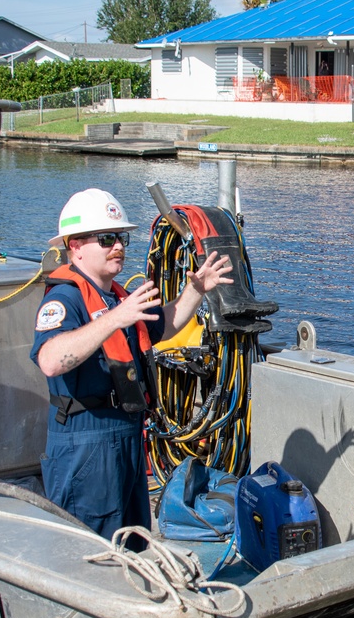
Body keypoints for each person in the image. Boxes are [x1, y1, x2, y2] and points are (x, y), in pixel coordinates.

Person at [30, 188, 232, 550]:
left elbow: (163, 325)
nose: (118, 246)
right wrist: (113, 319)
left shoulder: (118, 297)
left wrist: (197, 289)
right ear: (75, 247)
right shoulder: (65, 299)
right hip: (85, 442)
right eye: (106, 239)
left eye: (120, 238)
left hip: (125, 436)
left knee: (132, 538)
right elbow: (50, 358)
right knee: (89, 547)